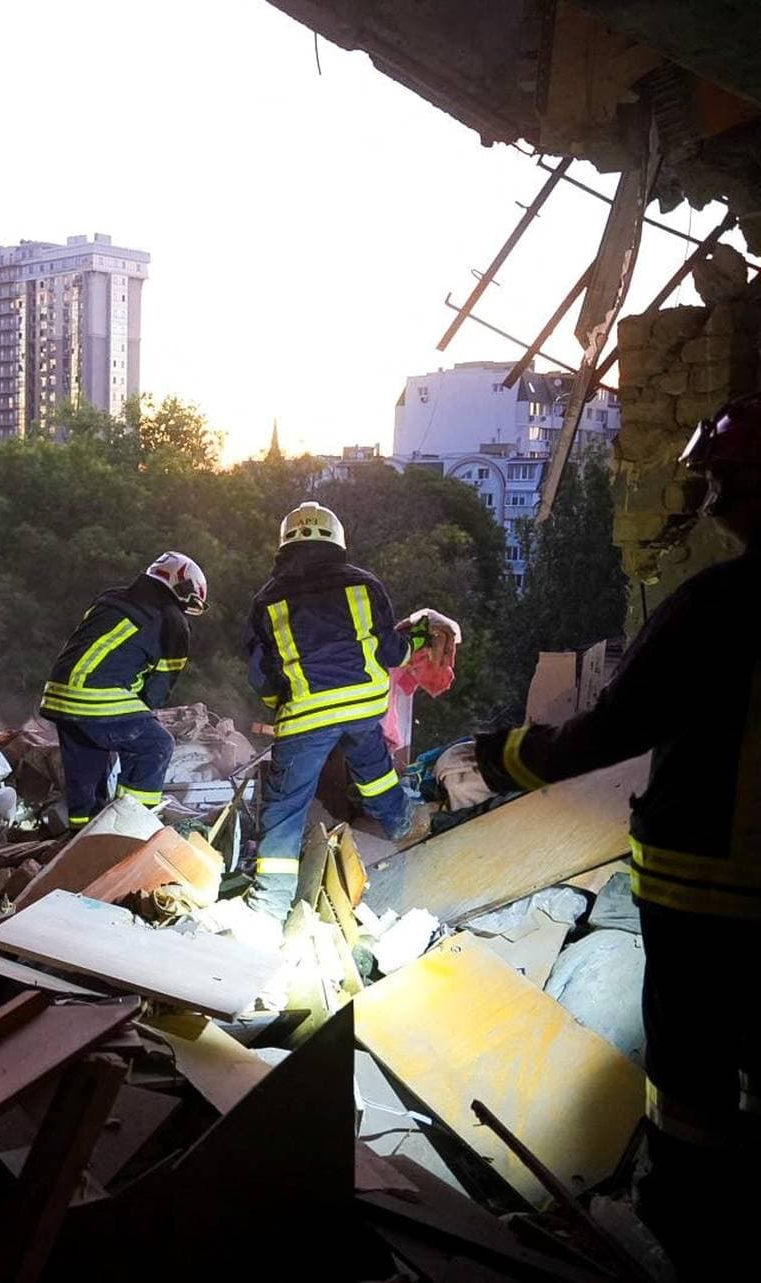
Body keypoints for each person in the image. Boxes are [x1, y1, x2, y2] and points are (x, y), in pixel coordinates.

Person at [470, 396, 761, 1278]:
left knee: (691, 1081)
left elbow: (611, 730)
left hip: (705, 887)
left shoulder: (719, 602)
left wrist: (500, 758)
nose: (714, 501)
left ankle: (690, 1230)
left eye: (729, 480)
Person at [244, 502, 432, 918]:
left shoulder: (266, 599)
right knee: (375, 770)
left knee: (286, 805)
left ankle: (271, 902)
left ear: (284, 545)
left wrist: (280, 707)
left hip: (307, 714)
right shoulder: (365, 585)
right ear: (337, 539)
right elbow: (392, 651)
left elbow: (260, 673)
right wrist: (417, 641)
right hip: (364, 705)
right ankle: (403, 824)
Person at [40, 552, 208, 828]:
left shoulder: (111, 598)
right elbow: (157, 691)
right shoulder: (173, 622)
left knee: (88, 761)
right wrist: (142, 716)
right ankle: (130, 827)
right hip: (97, 697)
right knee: (156, 745)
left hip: (58, 694)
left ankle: (80, 834)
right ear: (184, 591)